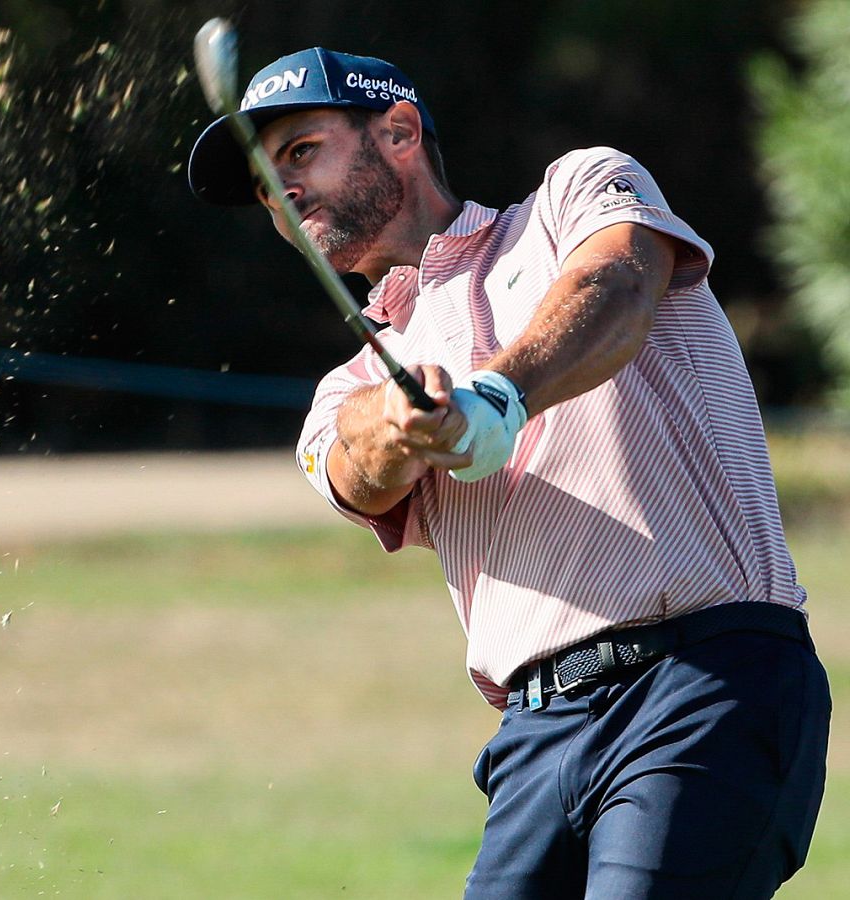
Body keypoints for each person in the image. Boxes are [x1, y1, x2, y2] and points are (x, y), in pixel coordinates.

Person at [188, 46, 831, 898]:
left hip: (704, 682)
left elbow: (616, 287)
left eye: (302, 151)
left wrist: (497, 398)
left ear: (400, 131)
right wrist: (400, 427)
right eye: (268, 185)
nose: (285, 191)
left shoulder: (573, 195)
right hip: (534, 737)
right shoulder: (350, 386)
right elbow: (353, 465)